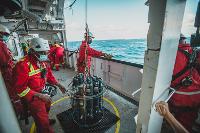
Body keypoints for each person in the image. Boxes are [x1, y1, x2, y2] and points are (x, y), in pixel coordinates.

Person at [13, 38, 67, 133]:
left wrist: (59, 85)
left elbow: (49, 76)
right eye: (41, 52)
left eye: (45, 52)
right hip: (33, 97)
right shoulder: (22, 65)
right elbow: (20, 90)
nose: (44, 55)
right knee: (42, 122)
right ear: (32, 51)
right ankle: (43, 125)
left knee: (46, 109)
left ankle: (44, 119)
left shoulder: (43, 62)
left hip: (43, 91)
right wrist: (40, 96)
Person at [169, 34, 200, 132]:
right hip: (196, 97)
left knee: (175, 122)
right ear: (184, 41)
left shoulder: (171, 55)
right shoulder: (195, 51)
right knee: (187, 123)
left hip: (178, 96)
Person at [0, 24, 17, 101]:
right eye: (5, 34)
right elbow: (5, 61)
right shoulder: (1, 45)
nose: (6, 36)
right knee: (12, 91)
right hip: (6, 72)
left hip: (4, 71)